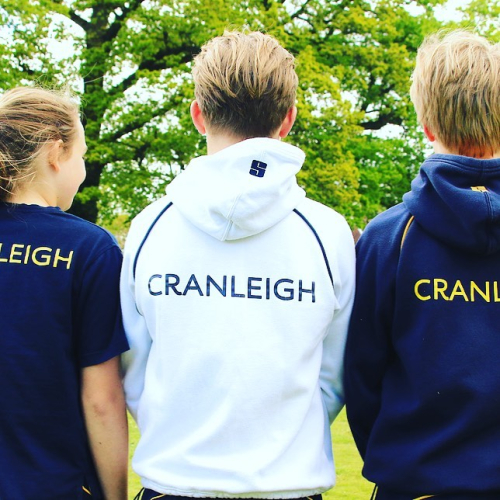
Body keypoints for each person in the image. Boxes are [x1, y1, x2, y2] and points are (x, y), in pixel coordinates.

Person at [121, 30, 355, 500]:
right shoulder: (328, 232)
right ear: (288, 119)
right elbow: (333, 376)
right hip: (287, 486)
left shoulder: (149, 226)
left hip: (175, 483)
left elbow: (134, 367)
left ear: (198, 115)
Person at [344, 30, 500, 500]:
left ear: (427, 126)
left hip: (414, 485)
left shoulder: (388, 237)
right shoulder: (388, 237)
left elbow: (361, 381)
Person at [0, 87, 129, 499]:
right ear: (56, 153)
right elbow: (101, 399)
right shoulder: (90, 249)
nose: (84, 170)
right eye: (82, 156)